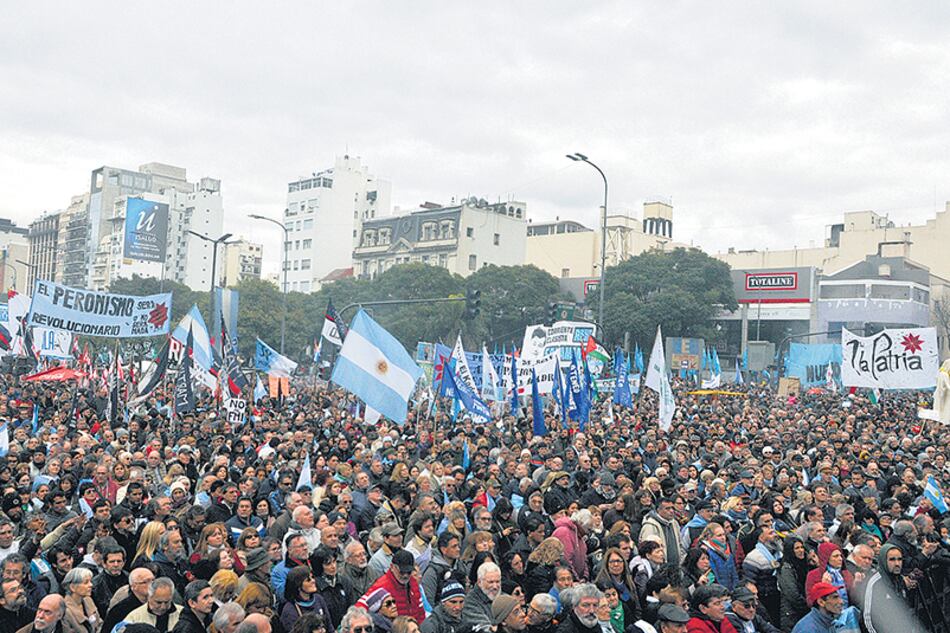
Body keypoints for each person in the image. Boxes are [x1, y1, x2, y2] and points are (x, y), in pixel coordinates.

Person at [861, 543, 924, 633]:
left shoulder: (900, 580)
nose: (897, 563)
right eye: (892, 560)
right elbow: (868, 618)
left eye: (899, 559)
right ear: (884, 560)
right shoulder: (875, 583)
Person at [358, 550, 425, 622]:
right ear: (392, 567)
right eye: (402, 572)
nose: (405, 575)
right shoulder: (382, 585)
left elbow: (420, 611)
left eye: (409, 572)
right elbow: (359, 608)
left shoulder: (413, 582)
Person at [101, 567, 155, 633]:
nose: (152, 585)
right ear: (134, 586)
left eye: (153, 580)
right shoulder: (120, 610)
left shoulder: (159, 604)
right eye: (145, 582)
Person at [281, 567, 330, 633]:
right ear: (298, 585)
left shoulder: (319, 599)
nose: (313, 581)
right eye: (308, 580)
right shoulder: (290, 610)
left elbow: (329, 626)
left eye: (312, 577)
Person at [460, 561, 501, 631]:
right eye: (491, 582)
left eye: (498, 581)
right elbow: (484, 628)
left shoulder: (503, 597)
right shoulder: (470, 602)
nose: (495, 586)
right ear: (479, 582)